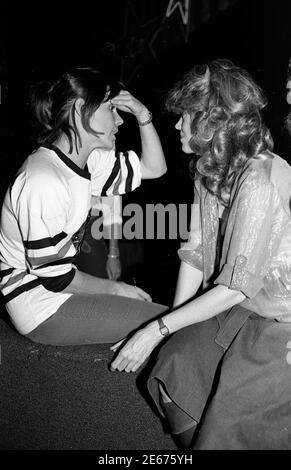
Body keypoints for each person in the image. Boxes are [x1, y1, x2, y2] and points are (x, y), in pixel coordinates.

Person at [110, 59, 291, 450]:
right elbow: (194, 254)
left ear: (210, 121)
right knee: (173, 367)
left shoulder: (259, 178)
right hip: (242, 309)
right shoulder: (207, 171)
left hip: (281, 319)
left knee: (229, 421)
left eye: (185, 117)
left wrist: (157, 328)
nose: (176, 125)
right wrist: (173, 327)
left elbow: (236, 287)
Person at [0, 67, 168, 346]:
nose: (119, 120)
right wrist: (116, 290)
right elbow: (54, 277)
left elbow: (155, 167)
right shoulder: (43, 178)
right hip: (40, 305)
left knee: (169, 323)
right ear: (81, 110)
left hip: (58, 293)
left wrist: (143, 114)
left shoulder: (88, 162)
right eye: (110, 109)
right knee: (166, 326)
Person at [75, 194, 123, 281]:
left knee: (105, 286)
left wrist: (113, 255)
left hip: (87, 234)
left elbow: (113, 214)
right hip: (54, 235)